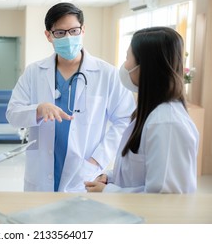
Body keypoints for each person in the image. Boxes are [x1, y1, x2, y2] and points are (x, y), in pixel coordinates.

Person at [6, 2, 136, 192]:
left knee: (78, 220)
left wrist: (97, 160)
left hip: (85, 171)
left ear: (83, 30)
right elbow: (13, 114)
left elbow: (125, 119)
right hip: (41, 172)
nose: (68, 37)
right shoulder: (34, 72)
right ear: (48, 36)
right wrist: (38, 110)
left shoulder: (107, 74)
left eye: (74, 31)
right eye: (60, 33)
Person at [85, 27, 199, 193]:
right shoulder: (151, 113)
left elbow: (165, 197)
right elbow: (140, 173)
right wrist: (110, 178)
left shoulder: (166, 123)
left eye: (127, 58)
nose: (124, 65)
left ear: (145, 66)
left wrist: (108, 191)